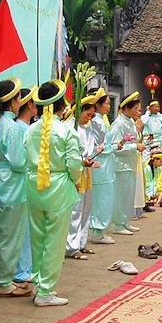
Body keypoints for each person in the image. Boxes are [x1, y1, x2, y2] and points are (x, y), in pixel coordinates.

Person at [25, 80, 84, 306]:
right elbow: (75, 164)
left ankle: (39, 283)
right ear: (61, 106)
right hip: (58, 185)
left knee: (38, 238)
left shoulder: (31, 129)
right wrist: (75, 181)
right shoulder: (66, 130)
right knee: (54, 242)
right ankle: (45, 291)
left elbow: (25, 157)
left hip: (34, 185)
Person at [0, 78, 32, 298]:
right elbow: (19, 162)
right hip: (11, 182)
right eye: (19, 96)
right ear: (13, 101)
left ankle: (6, 277)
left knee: (2, 231)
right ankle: (4, 281)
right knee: (10, 234)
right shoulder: (11, 127)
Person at [66, 96, 102, 260]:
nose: (90, 118)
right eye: (88, 114)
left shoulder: (88, 129)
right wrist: (83, 161)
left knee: (86, 209)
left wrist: (93, 157)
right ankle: (71, 247)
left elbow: (91, 149)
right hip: (77, 172)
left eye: (92, 115)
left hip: (86, 172)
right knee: (76, 210)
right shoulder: (71, 128)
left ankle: (81, 242)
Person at [107, 91, 145, 235]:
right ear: (126, 108)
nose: (138, 111)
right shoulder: (118, 124)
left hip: (130, 163)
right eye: (135, 108)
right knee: (121, 195)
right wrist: (135, 146)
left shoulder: (130, 122)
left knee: (129, 194)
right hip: (121, 165)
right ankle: (119, 224)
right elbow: (115, 147)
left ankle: (125, 221)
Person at [13, 87, 37, 286]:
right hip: (23, 181)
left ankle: (25, 267)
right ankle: (22, 270)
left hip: (24, 181)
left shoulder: (24, 128)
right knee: (24, 229)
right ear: (29, 105)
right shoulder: (23, 130)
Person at [89, 87, 117, 244]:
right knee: (103, 199)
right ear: (98, 105)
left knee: (103, 198)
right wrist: (114, 147)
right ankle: (98, 232)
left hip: (105, 164)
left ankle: (99, 230)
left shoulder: (99, 120)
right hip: (102, 165)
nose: (109, 106)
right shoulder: (97, 122)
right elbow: (102, 146)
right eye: (106, 103)